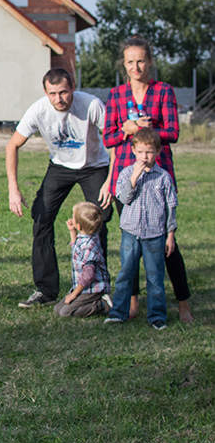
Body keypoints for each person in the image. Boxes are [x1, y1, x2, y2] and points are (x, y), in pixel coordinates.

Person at [103, 35, 192, 323]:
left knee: (167, 245)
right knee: (131, 245)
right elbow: (108, 137)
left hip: (158, 175)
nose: (136, 66)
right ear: (124, 64)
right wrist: (127, 130)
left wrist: (149, 131)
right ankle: (132, 302)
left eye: (141, 60)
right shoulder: (116, 95)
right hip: (126, 178)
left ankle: (182, 303)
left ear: (150, 61)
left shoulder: (164, 91)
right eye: (130, 62)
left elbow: (174, 133)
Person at [6, 68, 112, 308]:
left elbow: (113, 140)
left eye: (63, 92)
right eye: (52, 93)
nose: (59, 99)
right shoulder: (38, 109)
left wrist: (110, 180)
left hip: (95, 166)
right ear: (45, 92)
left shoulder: (92, 104)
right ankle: (46, 290)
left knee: (100, 219)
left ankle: (99, 288)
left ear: (72, 87)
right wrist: (14, 188)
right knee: (41, 218)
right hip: (60, 167)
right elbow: (12, 145)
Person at [104, 128, 177, 330]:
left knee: (155, 277)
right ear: (134, 151)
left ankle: (157, 316)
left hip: (155, 234)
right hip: (131, 232)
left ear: (157, 152)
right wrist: (134, 178)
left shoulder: (163, 177)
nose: (145, 156)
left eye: (150, 152)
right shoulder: (126, 173)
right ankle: (118, 312)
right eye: (141, 152)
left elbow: (171, 206)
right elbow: (124, 198)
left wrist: (170, 234)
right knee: (126, 273)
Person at [53, 202, 111, 317]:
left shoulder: (89, 246)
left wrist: (74, 294)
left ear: (79, 226)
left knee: (65, 312)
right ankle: (93, 301)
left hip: (93, 289)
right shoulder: (88, 237)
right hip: (84, 288)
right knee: (57, 309)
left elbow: (88, 275)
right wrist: (72, 232)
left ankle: (102, 304)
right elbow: (77, 249)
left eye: (73, 217)